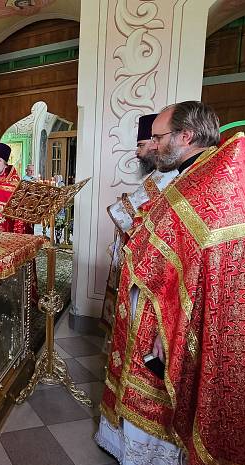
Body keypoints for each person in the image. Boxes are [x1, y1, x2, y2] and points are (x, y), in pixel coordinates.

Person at [95, 101, 245, 465]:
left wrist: (171, 329)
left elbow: (198, 268)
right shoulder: (190, 175)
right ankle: (134, 457)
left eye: (159, 137)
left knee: (160, 392)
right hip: (156, 303)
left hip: (173, 316)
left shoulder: (209, 181)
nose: (153, 145)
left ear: (186, 136)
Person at [101, 113, 179, 332]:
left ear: (155, 145)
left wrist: (119, 208)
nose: (137, 152)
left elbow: (130, 212)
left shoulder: (167, 174)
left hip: (149, 266)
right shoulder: (160, 173)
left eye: (141, 145)